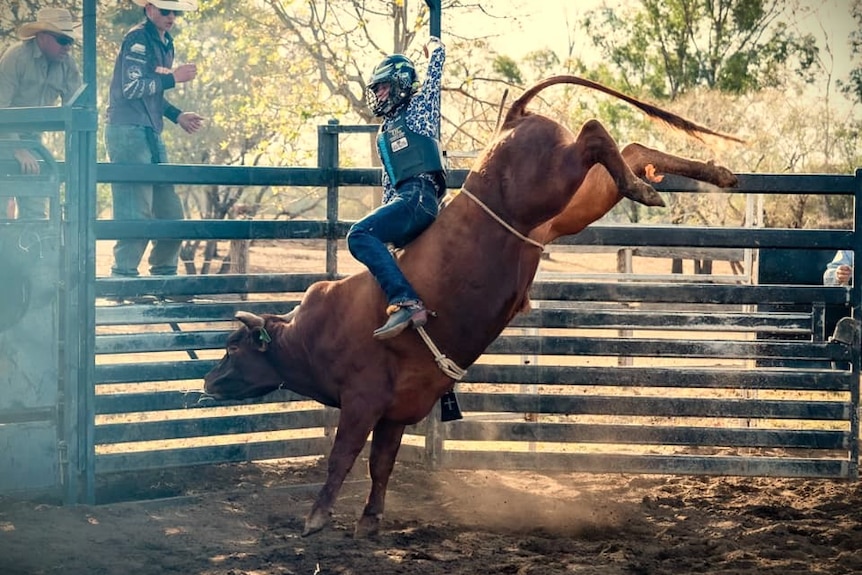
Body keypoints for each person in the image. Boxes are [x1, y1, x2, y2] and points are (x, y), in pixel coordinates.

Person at [346, 36, 446, 340]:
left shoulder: (419, 108)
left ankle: (406, 301)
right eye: (375, 88)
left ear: (402, 83)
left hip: (419, 197)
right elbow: (389, 184)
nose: (378, 93)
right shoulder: (384, 133)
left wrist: (436, 51)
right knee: (374, 239)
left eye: (383, 86)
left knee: (359, 234)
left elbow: (434, 79)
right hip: (404, 201)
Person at [105, 0, 204, 283]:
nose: (171, 16)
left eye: (176, 11)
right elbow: (132, 87)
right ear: (149, 10)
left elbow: (152, 95)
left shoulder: (165, 42)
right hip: (127, 130)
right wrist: (174, 78)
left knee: (171, 213)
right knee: (136, 211)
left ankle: (164, 279)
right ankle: (123, 280)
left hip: (150, 130)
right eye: (165, 10)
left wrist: (177, 115)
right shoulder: (137, 38)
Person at [0, 7, 82, 220]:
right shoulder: (16, 57)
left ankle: (33, 251)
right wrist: (17, 148)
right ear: (42, 37)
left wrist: (75, 156)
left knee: (36, 213)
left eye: (70, 41)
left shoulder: (67, 65)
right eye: (63, 40)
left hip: (34, 143)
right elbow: (1, 106)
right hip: (4, 139)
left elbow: (78, 108)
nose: (68, 47)